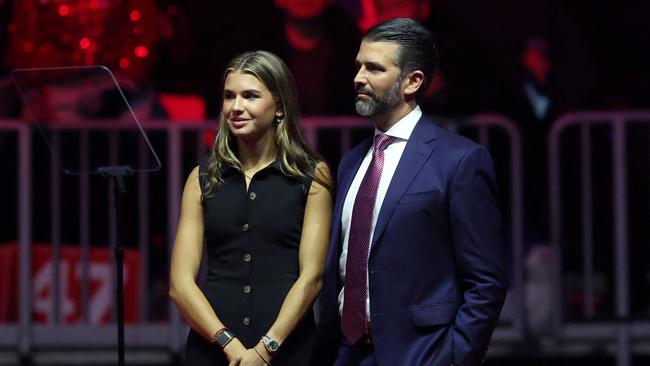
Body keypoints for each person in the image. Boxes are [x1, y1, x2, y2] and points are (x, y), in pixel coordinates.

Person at [312, 18, 508, 366]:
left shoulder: (458, 161)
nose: (358, 78)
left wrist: (455, 357)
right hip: (347, 352)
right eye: (358, 66)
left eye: (374, 68)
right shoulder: (352, 162)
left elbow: (486, 280)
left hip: (421, 354)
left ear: (412, 81)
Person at [170, 50, 333, 366]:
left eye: (250, 96)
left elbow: (312, 277)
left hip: (288, 349)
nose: (236, 107)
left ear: (280, 108)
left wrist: (266, 349)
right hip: (213, 350)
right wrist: (228, 344)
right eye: (229, 96)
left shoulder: (311, 174)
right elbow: (180, 285)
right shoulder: (203, 177)